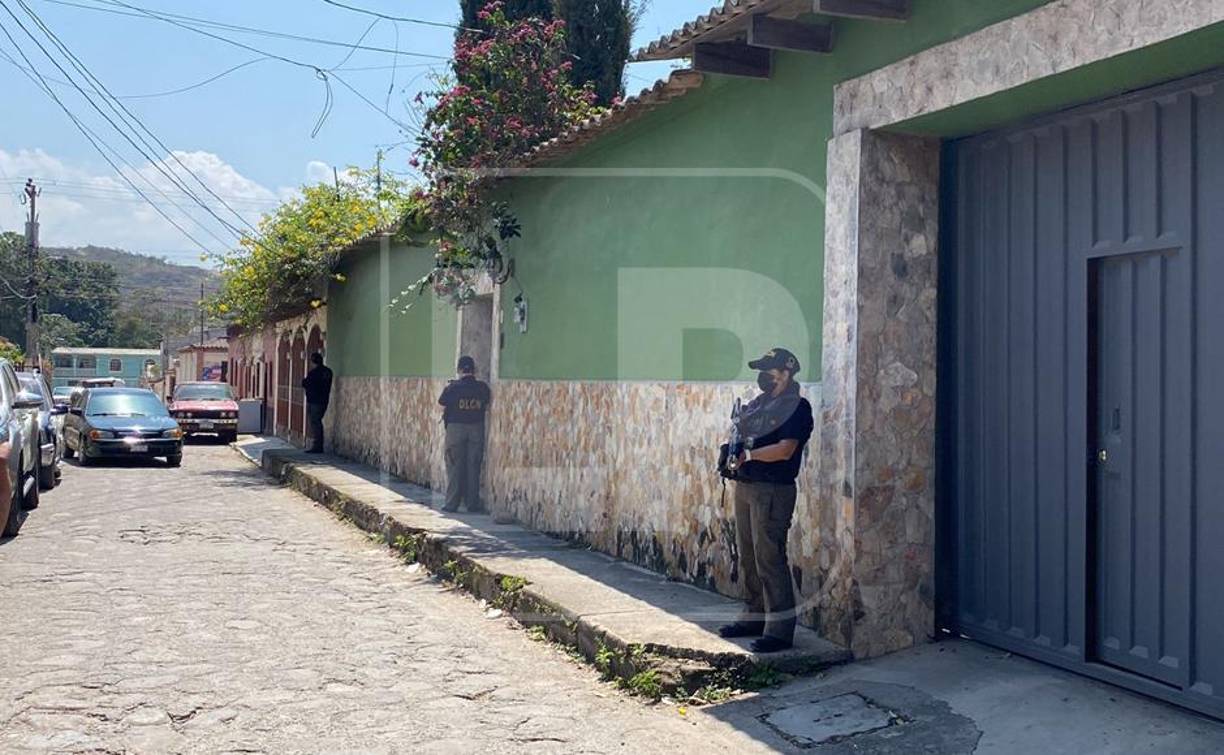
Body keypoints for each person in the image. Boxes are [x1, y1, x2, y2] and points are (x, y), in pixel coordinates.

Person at [718, 348, 814, 653]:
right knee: (748, 555)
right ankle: (754, 615)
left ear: (786, 373)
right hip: (747, 485)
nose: (763, 377)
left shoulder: (796, 407)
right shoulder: (760, 403)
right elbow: (743, 432)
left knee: (769, 557)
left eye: (769, 371)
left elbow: (785, 449)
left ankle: (779, 630)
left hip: (773, 490)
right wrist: (730, 450)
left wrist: (750, 455)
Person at [438, 355, 491, 513]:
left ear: (459, 370)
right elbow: (486, 404)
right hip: (476, 428)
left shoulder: (452, 388)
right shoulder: (482, 388)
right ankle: (472, 503)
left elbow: (441, 404)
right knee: (473, 466)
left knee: (454, 466)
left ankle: (452, 504)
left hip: (455, 429)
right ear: (474, 370)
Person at [301, 352, 333, 454]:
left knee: (315, 423)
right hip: (324, 401)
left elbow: (305, 383)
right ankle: (318, 445)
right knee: (318, 421)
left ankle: (318, 446)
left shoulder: (313, 373)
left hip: (315, 401)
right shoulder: (328, 372)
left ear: (313, 362)